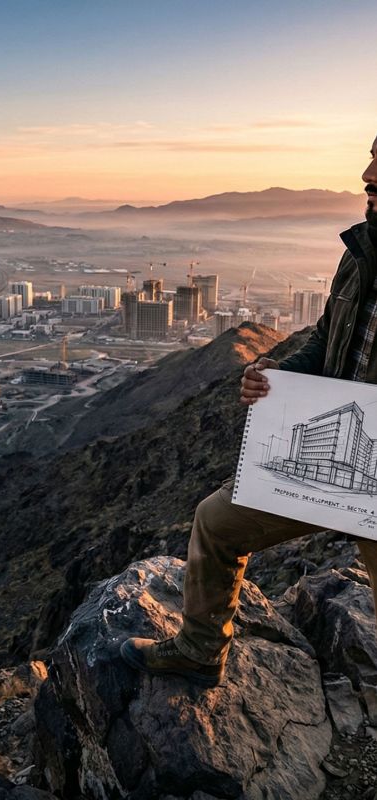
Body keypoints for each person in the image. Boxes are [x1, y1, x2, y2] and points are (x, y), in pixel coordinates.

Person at [120, 134, 377, 687]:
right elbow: (326, 341)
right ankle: (199, 649)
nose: (367, 173)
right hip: (328, 461)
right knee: (216, 522)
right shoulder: (359, 257)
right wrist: (275, 378)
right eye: (373, 156)